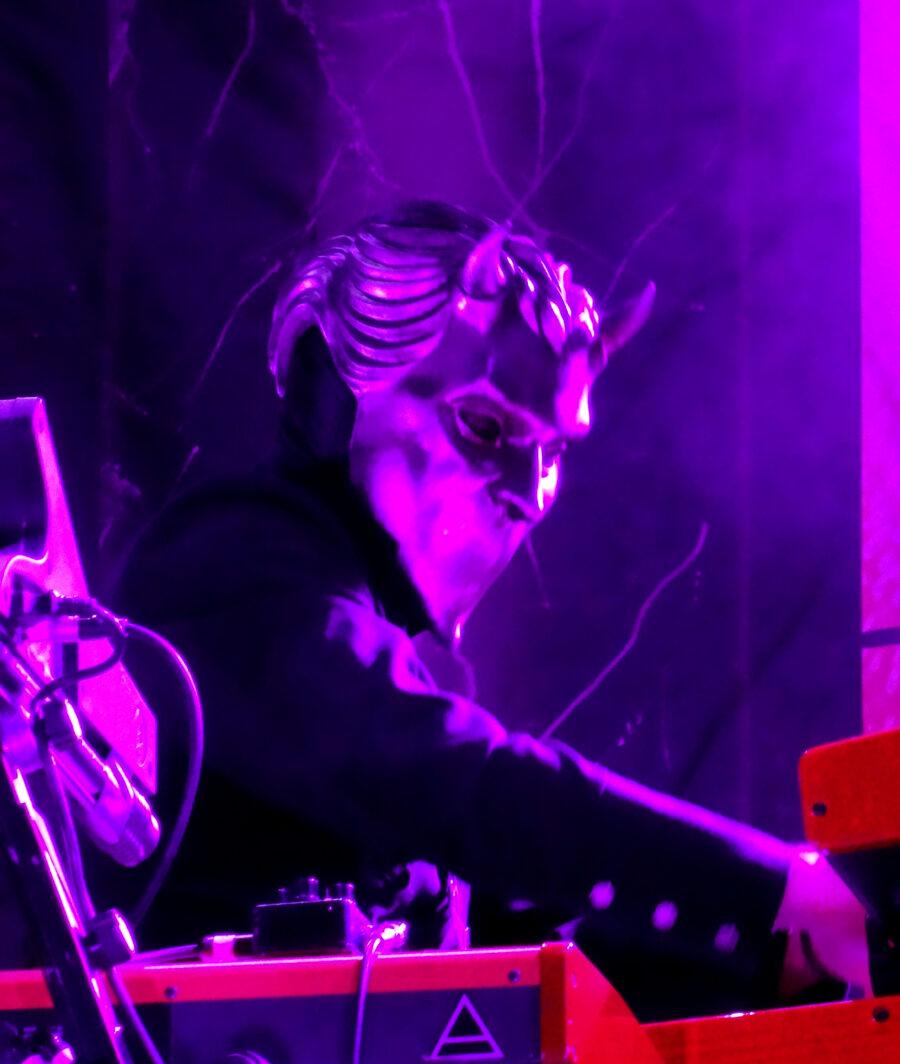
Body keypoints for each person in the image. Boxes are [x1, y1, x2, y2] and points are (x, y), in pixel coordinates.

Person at [113, 201, 869, 1019]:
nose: (530, 494)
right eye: (484, 425)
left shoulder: (362, 635)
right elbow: (456, 782)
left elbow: (518, 929)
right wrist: (772, 899)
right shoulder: (231, 555)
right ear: (333, 391)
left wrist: (774, 957)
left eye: (553, 453)